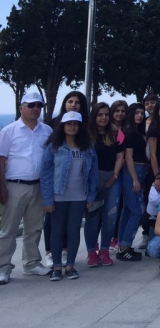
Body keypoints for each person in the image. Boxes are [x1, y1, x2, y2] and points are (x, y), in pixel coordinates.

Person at [0, 91, 53, 285]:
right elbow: (1, 160)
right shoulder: (9, 131)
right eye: (31, 105)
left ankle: (31, 264)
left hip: (38, 186)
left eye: (39, 105)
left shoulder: (47, 131)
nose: (35, 109)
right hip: (14, 186)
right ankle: (3, 267)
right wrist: (1, 188)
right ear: (21, 107)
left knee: (34, 228)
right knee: (8, 230)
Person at [41, 111, 98, 281]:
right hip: (58, 195)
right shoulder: (54, 146)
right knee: (57, 231)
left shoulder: (87, 147)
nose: (72, 127)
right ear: (63, 126)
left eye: (75, 124)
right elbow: (45, 173)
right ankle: (57, 266)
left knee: (73, 231)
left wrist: (91, 195)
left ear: (80, 126)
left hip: (79, 196)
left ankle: (70, 266)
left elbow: (93, 172)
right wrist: (47, 199)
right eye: (69, 124)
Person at [45, 90, 89, 267]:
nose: (73, 105)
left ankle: (66, 256)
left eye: (77, 102)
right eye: (70, 101)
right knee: (54, 223)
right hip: (58, 190)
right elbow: (47, 166)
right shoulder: (53, 127)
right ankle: (51, 253)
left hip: (78, 191)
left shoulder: (85, 129)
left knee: (72, 228)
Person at [84, 103, 124, 268]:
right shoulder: (86, 134)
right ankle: (92, 252)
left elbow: (120, 156)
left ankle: (105, 250)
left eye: (106, 114)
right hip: (92, 181)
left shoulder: (117, 133)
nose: (104, 118)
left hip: (112, 179)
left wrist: (114, 176)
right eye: (100, 114)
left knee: (110, 217)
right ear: (94, 116)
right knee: (92, 218)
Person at [117, 103, 147, 262]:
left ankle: (123, 244)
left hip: (139, 171)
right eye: (137, 113)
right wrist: (135, 178)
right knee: (136, 210)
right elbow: (128, 157)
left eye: (142, 113)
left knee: (128, 211)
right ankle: (125, 246)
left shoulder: (136, 132)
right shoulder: (128, 132)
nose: (140, 116)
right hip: (132, 172)